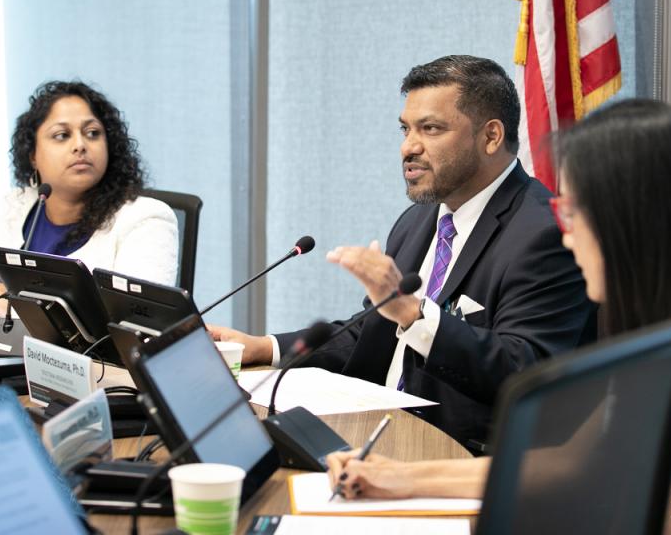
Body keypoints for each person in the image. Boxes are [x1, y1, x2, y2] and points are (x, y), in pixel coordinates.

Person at [324, 100, 671, 531]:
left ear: (633, 221)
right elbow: (572, 460)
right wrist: (404, 478)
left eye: (572, 214)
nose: (565, 238)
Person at [211, 55, 594, 449]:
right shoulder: (419, 220)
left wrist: (415, 315)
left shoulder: (543, 233)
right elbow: (371, 332)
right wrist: (264, 346)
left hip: (456, 454)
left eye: (430, 129)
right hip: (376, 434)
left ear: (491, 136)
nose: (408, 148)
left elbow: (527, 370)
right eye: (405, 129)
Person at [0, 80, 179, 315]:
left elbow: (134, 322)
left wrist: (16, 307)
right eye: (61, 135)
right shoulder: (10, 208)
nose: (80, 145)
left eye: (93, 133)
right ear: (33, 155)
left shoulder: (147, 220)